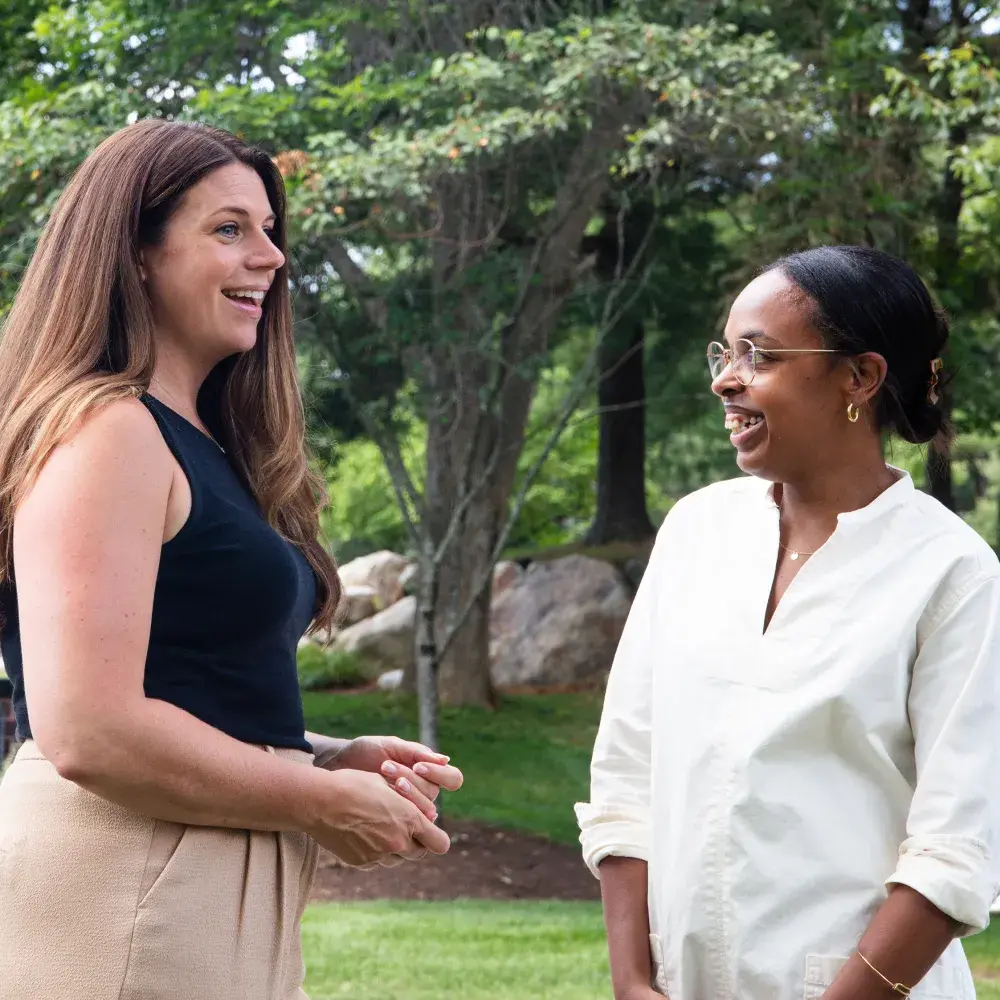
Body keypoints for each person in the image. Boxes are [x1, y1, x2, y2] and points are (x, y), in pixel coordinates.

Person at [0, 119, 462, 1000]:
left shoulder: (202, 444)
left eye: (270, 231)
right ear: (136, 252)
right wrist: (319, 802)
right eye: (228, 228)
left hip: (194, 883)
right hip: (125, 881)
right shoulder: (108, 431)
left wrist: (322, 757)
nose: (270, 257)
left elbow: (180, 689)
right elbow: (89, 728)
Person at [577, 245, 1000, 1000]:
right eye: (725, 353)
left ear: (859, 377)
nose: (725, 379)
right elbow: (626, 777)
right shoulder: (695, 531)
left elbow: (955, 850)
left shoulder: (952, 573)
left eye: (760, 355)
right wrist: (634, 980)